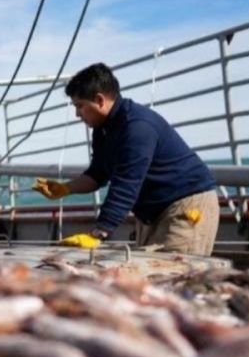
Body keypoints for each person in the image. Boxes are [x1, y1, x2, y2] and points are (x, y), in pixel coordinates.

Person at [33, 63, 219, 255]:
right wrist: (66, 188)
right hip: (153, 213)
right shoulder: (103, 130)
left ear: (99, 100)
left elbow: (126, 184)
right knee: (149, 275)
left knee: (173, 274)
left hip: (187, 207)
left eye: (80, 106)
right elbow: (97, 174)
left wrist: (97, 234)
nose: (77, 114)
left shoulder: (137, 127)